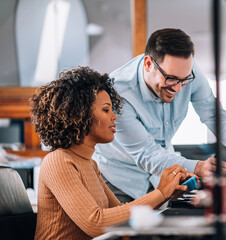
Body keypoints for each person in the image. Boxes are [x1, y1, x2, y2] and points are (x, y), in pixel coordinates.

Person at [31, 67, 193, 240]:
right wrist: (160, 192)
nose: (114, 117)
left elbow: (120, 215)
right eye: (106, 110)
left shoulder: (89, 164)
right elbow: (97, 223)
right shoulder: (58, 161)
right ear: (80, 115)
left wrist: (166, 194)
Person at [93, 28, 226, 202]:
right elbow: (147, 154)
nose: (179, 89)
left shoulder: (186, 71)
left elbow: (213, 114)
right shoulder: (118, 93)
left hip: (163, 175)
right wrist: (197, 167)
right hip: (120, 181)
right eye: (171, 79)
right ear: (149, 64)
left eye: (184, 80)